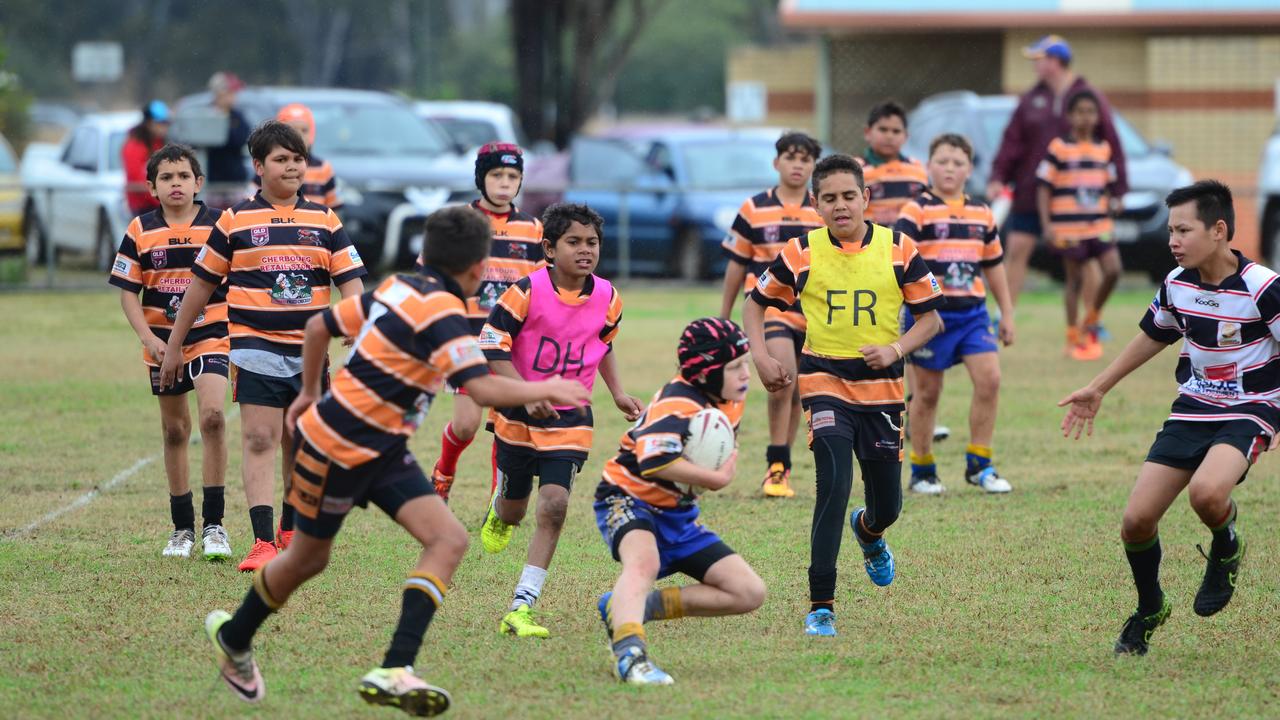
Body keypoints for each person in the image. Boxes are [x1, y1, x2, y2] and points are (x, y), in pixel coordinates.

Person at [203, 205, 592, 713]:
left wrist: (305, 395)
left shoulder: (396, 287)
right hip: (344, 448)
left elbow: (320, 326)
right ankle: (237, 636)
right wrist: (544, 386)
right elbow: (478, 386)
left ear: (425, 253)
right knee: (311, 559)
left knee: (441, 540)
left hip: (368, 446)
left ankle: (391, 667)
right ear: (479, 269)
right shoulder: (444, 315)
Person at [1059, 180, 1276, 656]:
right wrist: (1097, 387)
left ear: (1218, 230)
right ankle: (1150, 605)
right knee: (1136, 521)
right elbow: (1153, 336)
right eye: (1171, 230)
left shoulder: (1264, 288)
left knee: (1207, 494)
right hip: (1193, 408)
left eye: (1184, 229)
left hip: (1251, 408)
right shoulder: (1177, 284)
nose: (1173, 240)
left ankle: (1226, 544)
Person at [743, 154, 944, 637]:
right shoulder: (800, 252)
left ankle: (869, 531)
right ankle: (821, 606)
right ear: (815, 205)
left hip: (882, 391)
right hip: (822, 383)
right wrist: (761, 356)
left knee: (888, 505)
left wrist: (895, 348)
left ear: (865, 199)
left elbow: (932, 319)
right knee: (832, 485)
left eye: (848, 196)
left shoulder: (899, 249)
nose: (840, 205)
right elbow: (755, 303)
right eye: (828, 198)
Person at [160, 120, 367, 572]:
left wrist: (355, 321)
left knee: (301, 443)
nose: (293, 167)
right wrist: (176, 343)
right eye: (282, 159)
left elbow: (351, 283)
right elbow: (199, 288)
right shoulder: (235, 220)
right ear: (259, 165)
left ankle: (290, 530)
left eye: (298, 159)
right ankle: (261, 541)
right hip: (254, 348)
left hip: (311, 356)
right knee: (259, 438)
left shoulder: (325, 220)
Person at [477, 202, 642, 638]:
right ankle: (500, 506)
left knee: (554, 506)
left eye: (592, 243)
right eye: (574, 242)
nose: (585, 250)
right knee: (514, 512)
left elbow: (602, 345)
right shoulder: (525, 291)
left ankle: (522, 605)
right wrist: (527, 395)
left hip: (570, 415)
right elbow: (491, 345)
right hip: (518, 412)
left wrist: (618, 393)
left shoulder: (609, 297)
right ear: (549, 249)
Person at [593, 317, 766, 685]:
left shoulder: (729, 396)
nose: (746, 375)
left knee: (748, 592)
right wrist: (716, 480)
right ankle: (630, 656)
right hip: (627, 497)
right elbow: (652, 460)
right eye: (736, 367)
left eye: (746, 364)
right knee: (644, 564)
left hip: (678, 514)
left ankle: (631, 607)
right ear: (705, 373)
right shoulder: (679, 402)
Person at [108, 143, 230, 560]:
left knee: (213, 417)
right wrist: (149, 339)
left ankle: (215, 525)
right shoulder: (141, 229)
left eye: (183, 177)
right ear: (151, 187)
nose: (175, 184)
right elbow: (128, 292)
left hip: (213, 333)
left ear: (198, 183)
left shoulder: (219, 226)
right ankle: (182, 529)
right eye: (166, 178)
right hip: (162, 343)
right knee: (175, 430)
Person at [895, 134, 1015, 495]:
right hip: (930, 319)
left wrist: (1006, 312)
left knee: (990, 380)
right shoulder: (915, 210)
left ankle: (980, 464)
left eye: (958, 162)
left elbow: (993, 265)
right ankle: (922, 469)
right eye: (943, 161)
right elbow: (900, 261)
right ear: (928, 166)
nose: (950, 168)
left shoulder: (981, 212)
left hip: (973, 315)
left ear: (969, 169)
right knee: (927, 394)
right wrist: (924, 307)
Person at [430, 143, 544, 503]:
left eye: (513, 176)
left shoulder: (533, 229)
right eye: (497, 175)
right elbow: (430, 274)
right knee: (466, 425)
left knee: (503, 428)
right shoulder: (459, 222)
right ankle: (444, 470)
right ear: (481, 178)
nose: (505, 182)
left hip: (511, 344)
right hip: (466, 339)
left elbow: (542, 286)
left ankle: (498, 503)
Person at [718, 131, 824, 499]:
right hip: (767, 309)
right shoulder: (754, 208)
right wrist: (723, 314)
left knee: (796, 391)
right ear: (776, 162)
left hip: (811, 311)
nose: (798, 164)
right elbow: (737, 264)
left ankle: (781, 467)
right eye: (791, 157)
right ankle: (775, 465)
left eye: (805, 158)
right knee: (782, 375)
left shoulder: (821, 210)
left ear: (813, 166)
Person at [987, 35, 1127, 311]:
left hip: (1077, 200)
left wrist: (1118, 191)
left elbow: (1112, 144)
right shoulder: (1031, 99)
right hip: (1031, 192)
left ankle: (1091, 323)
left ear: (1055, 62)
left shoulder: (1089, 96)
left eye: (1038, 60)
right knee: (1016, 251)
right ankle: (1003, 317)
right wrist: (998, 176)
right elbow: (1012, 141)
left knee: (1085, 261)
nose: (1035, 66)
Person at [859, 101, 949, 444]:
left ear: (906, 136)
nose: (889, 136)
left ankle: (916, 413)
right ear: (868, 133)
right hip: (872, 264)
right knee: (886, 334)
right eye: (882, 129)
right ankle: (885, 409)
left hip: (909, 265)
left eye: (896, 130)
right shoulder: (858, 169)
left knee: (914, 335)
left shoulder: (917, 171)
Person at [1036, 91, 1122, 361]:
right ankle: (1073, 336)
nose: (1086, 117)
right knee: (1074, 281)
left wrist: (1113, 202)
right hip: (1068, 228)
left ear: (1098, 117)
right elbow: (1043, 187)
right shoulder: (1059, 147)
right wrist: (1047, 223)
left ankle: (1092, 316)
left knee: (1113, 270)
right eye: (1081, 111)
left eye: (1091, 112)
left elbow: (1106, 186)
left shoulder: (1103, 149)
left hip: (1099, 225)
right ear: (1070, 116)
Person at [257, 103, 342, 211]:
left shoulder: (323, 168)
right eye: (292, 130)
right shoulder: (269, 166)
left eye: (304, 130)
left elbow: (335, 209)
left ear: (312, 134)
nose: (299, 136)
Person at [203, 71, 251, 208]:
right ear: (219, 94)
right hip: (210, 184)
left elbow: (240, 139)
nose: (234, 97)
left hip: (235, 183)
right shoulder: (205, 116)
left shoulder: (237, 116)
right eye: (231, 93)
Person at [122, 100, 172, 216]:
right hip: (143, 208)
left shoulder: (160, 143)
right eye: (160, 123)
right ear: (149, 123)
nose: (164, 128)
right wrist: (163, 201)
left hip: (161, 205)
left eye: (166, 124)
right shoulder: (134, 146)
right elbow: (137, 179)